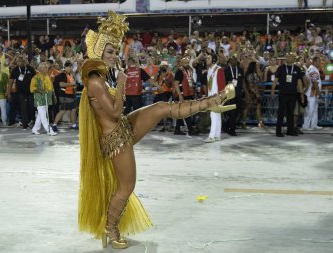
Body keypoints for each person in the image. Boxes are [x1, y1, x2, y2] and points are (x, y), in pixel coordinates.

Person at [78, 11, 235, 249]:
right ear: (98, 51)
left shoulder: (100, 77)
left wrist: (118, 82)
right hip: (115, 139)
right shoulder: (96, 81)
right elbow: (114, 113)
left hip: (121, 128)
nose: (114, 55)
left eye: (115, 51)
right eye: (109, 51)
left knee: (162, 107)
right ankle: (110, 229)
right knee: (126, 187)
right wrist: (121, 83)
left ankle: (213, 100)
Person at [271, 52, 303, 137]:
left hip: (293, 94)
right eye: (287, 56)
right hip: (283, 93)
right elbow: (276, 80)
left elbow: (299, 82)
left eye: (291, 57)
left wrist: (301, 93)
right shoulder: (281, 68)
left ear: (293, 58)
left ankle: (290, 130)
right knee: (281, 112)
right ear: (285, 58)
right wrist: (272, 91)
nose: (289, 58)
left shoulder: (296, 68)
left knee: (290, 113)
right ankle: (278, 131)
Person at [30, 62, 57, 136]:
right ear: (40, 69)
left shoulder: (47, 76)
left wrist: (54, 96)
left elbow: (51, 87)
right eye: (44, 67)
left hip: (47, 98)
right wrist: (40, 90)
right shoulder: (35, 77)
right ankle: (49, 130)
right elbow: (32, 88)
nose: (46, 68)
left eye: (46, 67)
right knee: (44, 115)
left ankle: (35, 129)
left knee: (40, 115)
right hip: (40, 98)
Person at [302, 56, 322, 130]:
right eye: (319, 61)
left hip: (314, 93)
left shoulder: (313, 68)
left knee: (314, 109)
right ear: (314, 61)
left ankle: (313, 125)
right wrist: (319, 92)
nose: (320, 63)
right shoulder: (313, 69)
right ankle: (306, 125)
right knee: (310, 109)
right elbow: (314, 82)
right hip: (312, 93)